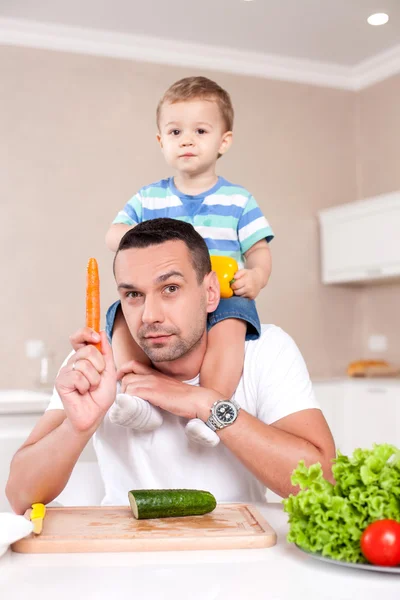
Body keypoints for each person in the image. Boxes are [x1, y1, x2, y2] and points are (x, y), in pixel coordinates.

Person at [6, 219, 335, 515]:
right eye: (133, 294)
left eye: (171, 289)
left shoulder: (266, 351)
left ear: (209, 293)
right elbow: (19, 495)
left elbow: (326, 483)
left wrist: (206, 404)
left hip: (237, 557)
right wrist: (77, 427)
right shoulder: (95, 366)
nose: (149, 315)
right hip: (122, 559)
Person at [104, 76, 274, 447]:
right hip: (169, 293)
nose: (187, 139)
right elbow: (114, 234)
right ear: (161, 141)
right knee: (120, 314)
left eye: (200, 130)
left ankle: (210, 411)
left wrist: (256, 277)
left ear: (223, 141)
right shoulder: (148, 198)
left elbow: (259, 249)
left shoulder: (238, 200)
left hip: (225, 293)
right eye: (175, 131)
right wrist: (151, 241)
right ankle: (136, 397)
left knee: (231, 329)